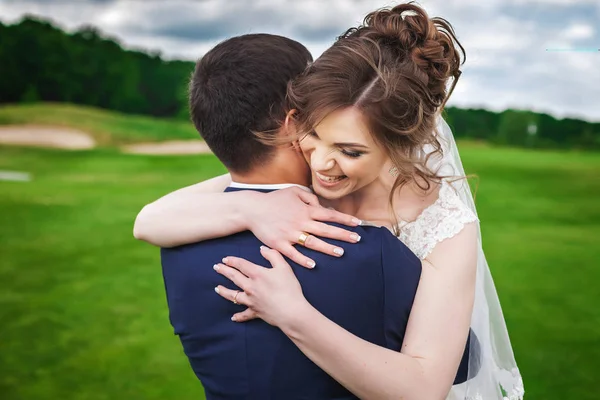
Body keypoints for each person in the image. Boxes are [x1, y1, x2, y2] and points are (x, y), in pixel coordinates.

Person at [136, 3, 523, 400]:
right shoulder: (302, 177)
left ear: (398, 145)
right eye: (313, 134)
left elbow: (425, 387)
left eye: (351, 151)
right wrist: (250, 207)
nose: (321, 163)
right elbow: (149, 220)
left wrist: (294, 315)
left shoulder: (445, 225)